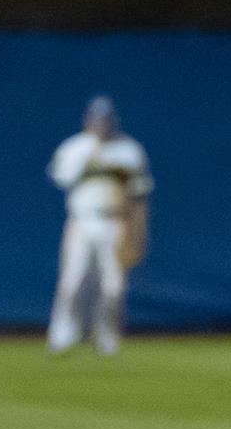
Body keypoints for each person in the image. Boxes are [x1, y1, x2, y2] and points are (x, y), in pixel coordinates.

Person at [46, 95, 153, 355]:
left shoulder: (129, 150)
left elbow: (140, 194)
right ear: (88, 119)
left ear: (113, 120)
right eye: (96, 118)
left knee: (113, 286)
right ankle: (63, 336)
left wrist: (138, 231)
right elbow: (60, 177)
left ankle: (107, 338)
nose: (101, 124)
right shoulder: (75, 147)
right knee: (72, 281)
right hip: (82, 221)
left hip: (115, 222)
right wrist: (89, 162)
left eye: (105, 119)